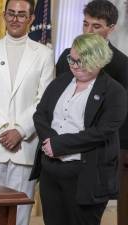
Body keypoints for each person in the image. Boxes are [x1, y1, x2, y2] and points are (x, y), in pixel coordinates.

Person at [30, 33, 127, 225]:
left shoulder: (115, 91)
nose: (74, 65)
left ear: (98, 61)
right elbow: (40, 114)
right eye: (71, 60)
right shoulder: (61, 81)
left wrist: (59, 144)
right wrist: (49, 141)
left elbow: (103, 131)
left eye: (80, 61)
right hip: (51, 172)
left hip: (86, 176)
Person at [0, 0, 54, 225]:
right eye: (11, 13)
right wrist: (3, 129)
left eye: (21, 15)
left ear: (31, 19)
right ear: (4, 15)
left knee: (19, 215)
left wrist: (20, 130)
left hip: (25, 146)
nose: (15, 19)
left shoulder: (45, 54)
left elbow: (44, 100)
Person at [56, 2, 128, 223]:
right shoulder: (66, 57)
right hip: (64, 149)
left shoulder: (121, 64)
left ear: (111, 28)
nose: (88, 31)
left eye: (96, 26)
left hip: (101, 152)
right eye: (85, 24)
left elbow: (122, 116)